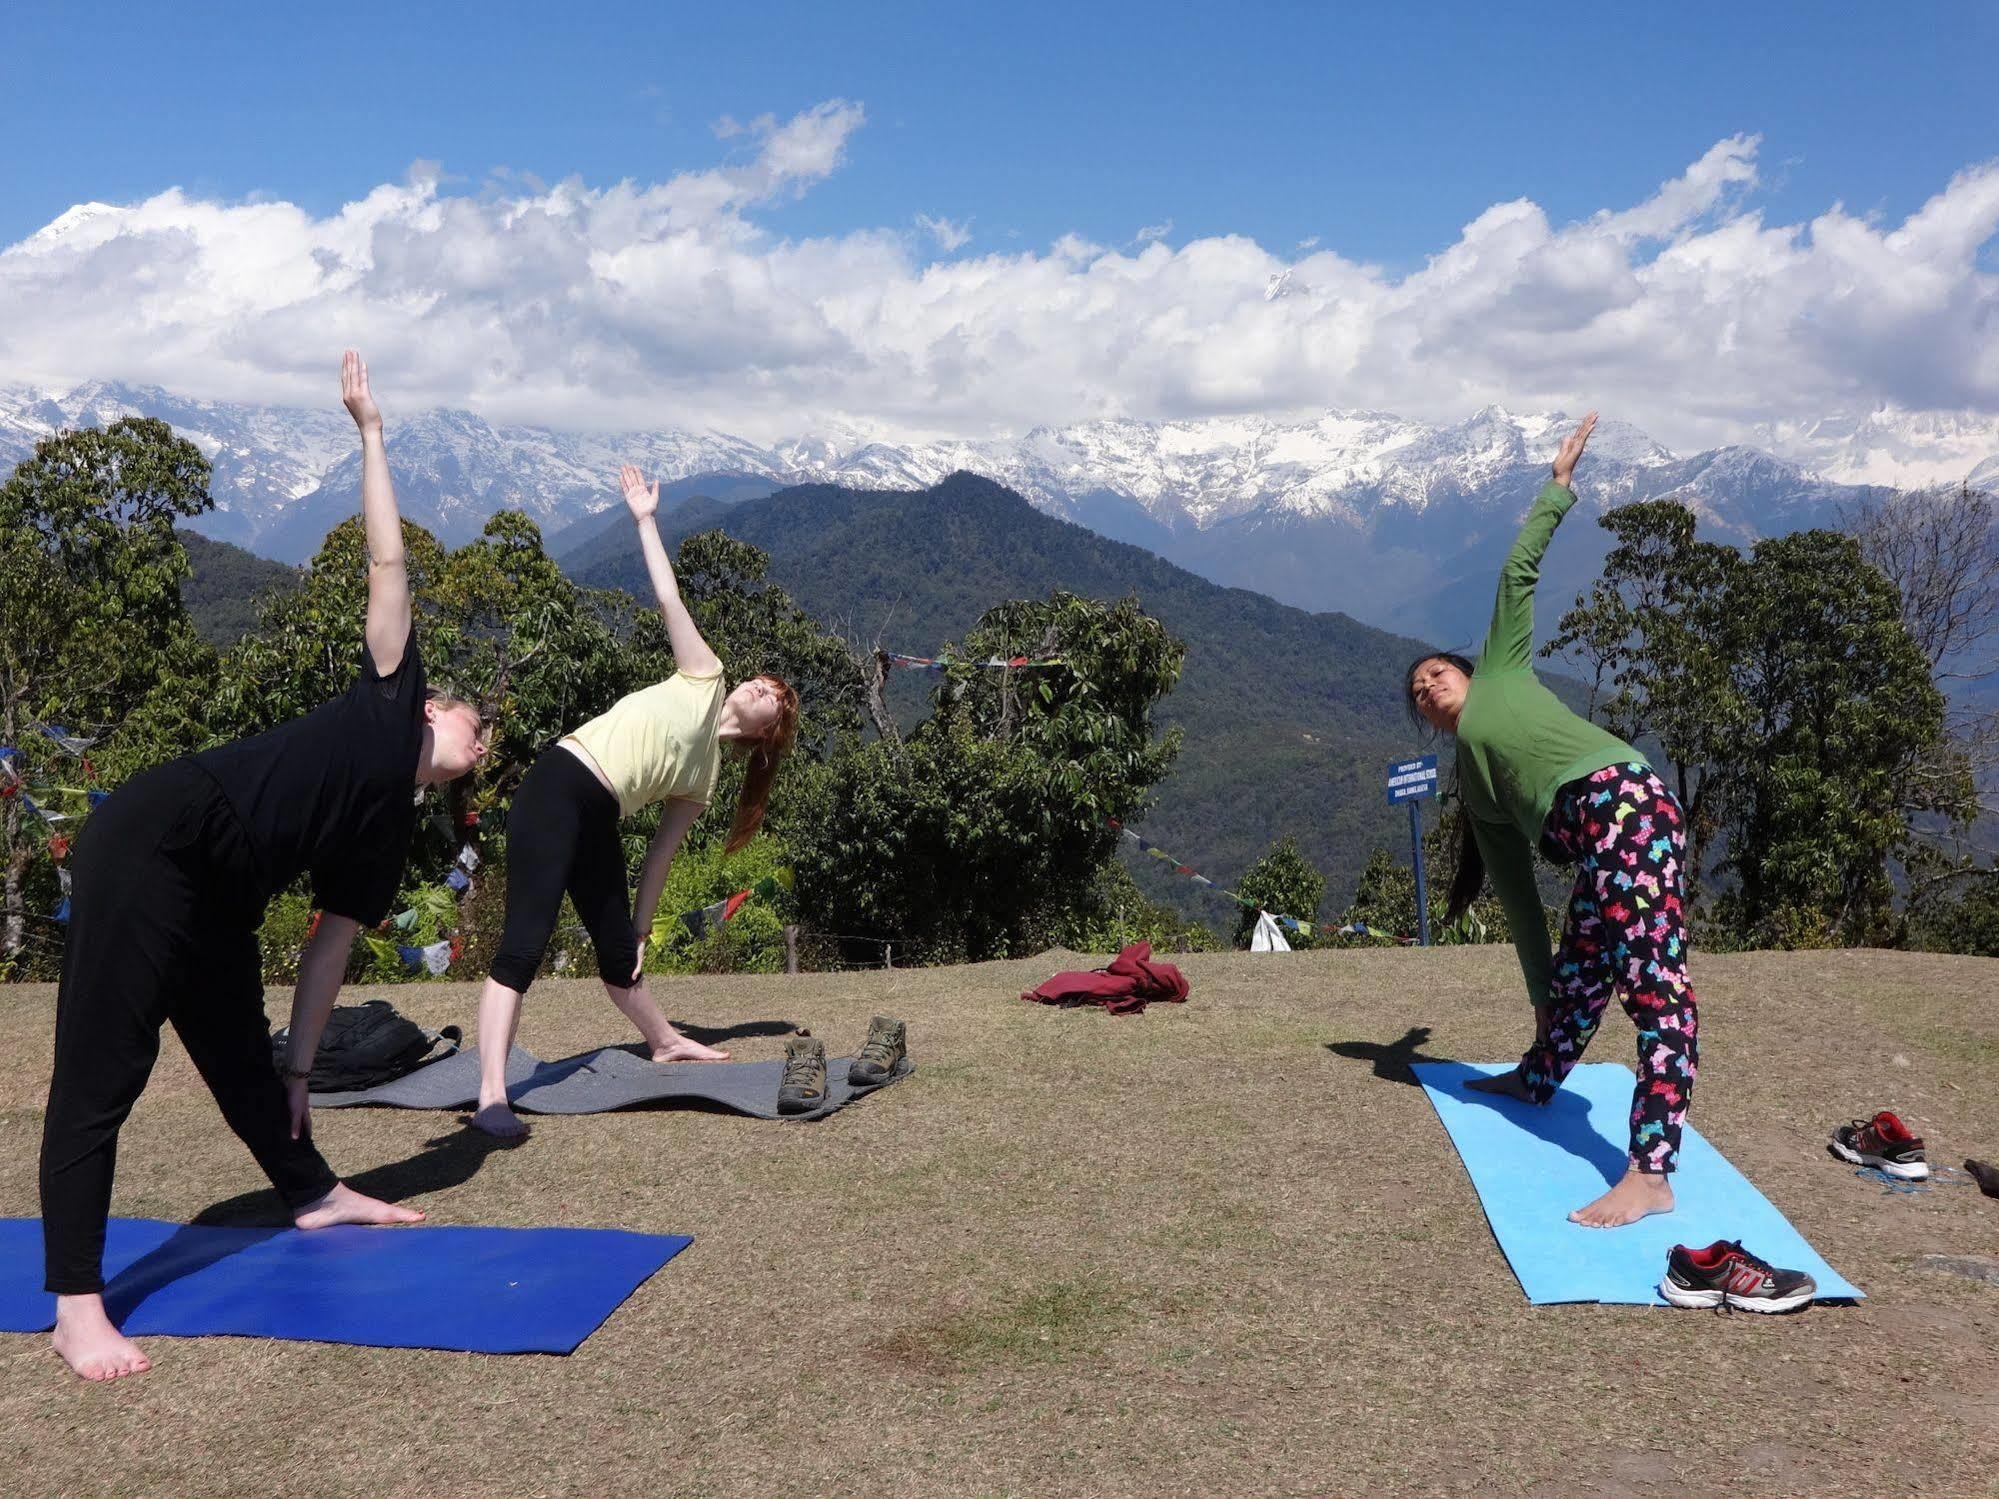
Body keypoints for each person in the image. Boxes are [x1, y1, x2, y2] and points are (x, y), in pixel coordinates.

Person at [39, 352, 490, 1380]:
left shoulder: (387, 834)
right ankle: (76, 1300)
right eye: (476, 717)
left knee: (245, 1060)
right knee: (107, 1067)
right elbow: (389, 567)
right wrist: (371, 433)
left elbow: (329, 950)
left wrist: (300, 1068)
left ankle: (313, 1189)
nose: (483, 731)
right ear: (431, 707)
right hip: (160, 834)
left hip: (223, 897)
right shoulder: (388, 702)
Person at [1406, 412, 1699, 1229]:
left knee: (1655, 992)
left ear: (1466, 670)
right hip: (1601, 843)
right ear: (1428, 722)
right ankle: (1538, 1076)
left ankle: (1649, 1170)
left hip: (1628, 804)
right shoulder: (1476, 786)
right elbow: (1516, 897)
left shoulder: (1500, 668)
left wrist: (1557, 487)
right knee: (1576, 972)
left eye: (1435, 672)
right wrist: (1539, 996)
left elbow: (1516, 574)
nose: (1428, 686)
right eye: (1418, 692)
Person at [468, 464, 798, 1139]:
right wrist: (645, 518)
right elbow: (668, 596)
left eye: (772, 695)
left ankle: (666, 1040)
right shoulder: (705, 675)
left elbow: (660, 855)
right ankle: (492, 1094)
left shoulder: (704, 777)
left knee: (620, 953)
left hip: (599, 818)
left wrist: (643, 927)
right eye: (762, 681)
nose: (760, 686)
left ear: (766, 734)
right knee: (521, 949)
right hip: (559, 784)